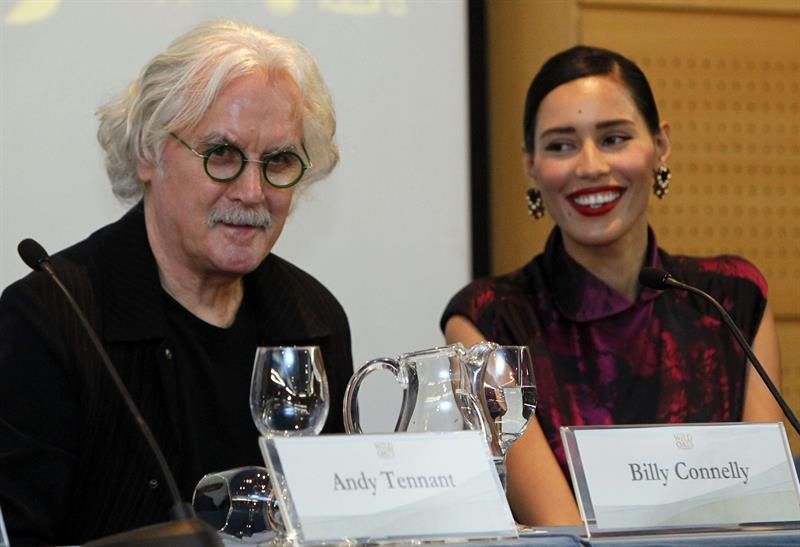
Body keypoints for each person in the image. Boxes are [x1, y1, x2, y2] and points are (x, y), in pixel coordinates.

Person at [0, 20, 352, 546]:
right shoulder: (52, 320)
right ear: (149, 153)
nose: (252, 191)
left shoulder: (312, 318)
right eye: (222, 154)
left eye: (278, 162)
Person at [441, 46, 782, 525]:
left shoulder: (731, 298)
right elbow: (564, 531)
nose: (590, 166)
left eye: (614, 138)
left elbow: (766, 518)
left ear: (660, 145)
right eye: (561, 146)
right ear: (530, 165)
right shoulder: (488, 320)